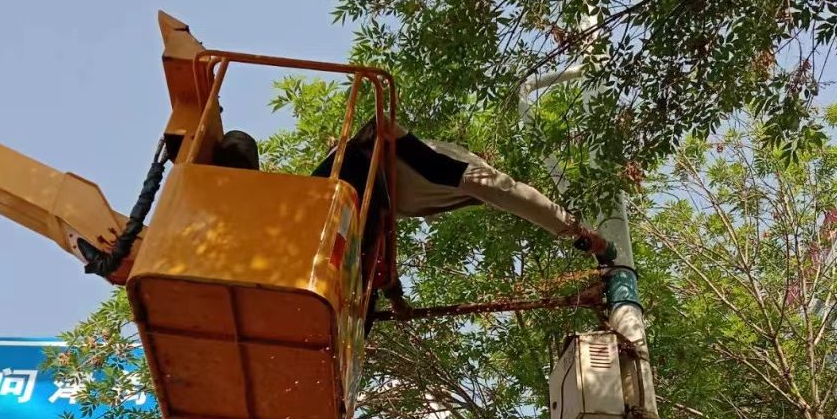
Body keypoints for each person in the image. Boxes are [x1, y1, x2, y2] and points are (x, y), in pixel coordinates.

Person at [211, 123, 608, 317]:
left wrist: (395, 296)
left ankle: (238, 183)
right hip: (351, 175)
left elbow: (381, 236)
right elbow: (512, 193)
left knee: (330, 269)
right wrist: (578, 233)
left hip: (344, 193)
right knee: (345, 286)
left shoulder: (410, 193)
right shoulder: (456, 171)